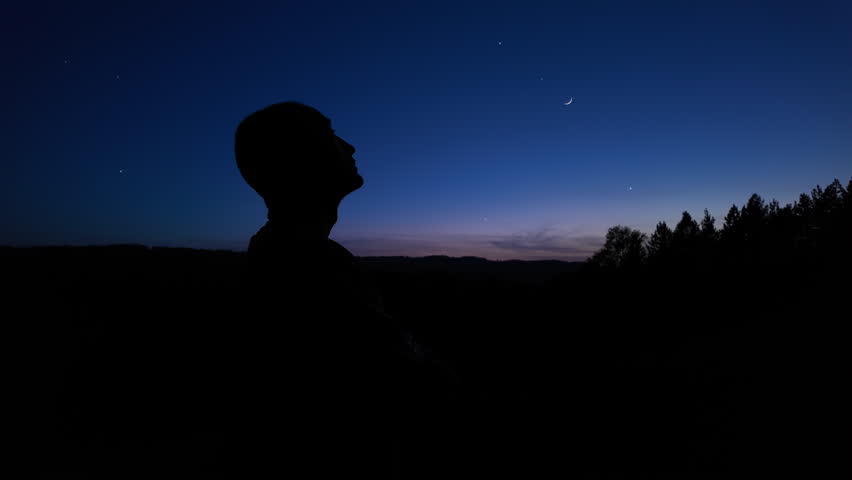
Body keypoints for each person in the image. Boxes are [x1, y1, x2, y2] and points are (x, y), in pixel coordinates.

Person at [232, 101, 457, 477]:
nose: (350, 147)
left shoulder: (297, 253)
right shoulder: (303, 268)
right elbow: (409, 387)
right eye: (330, 136)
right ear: (297, 158)